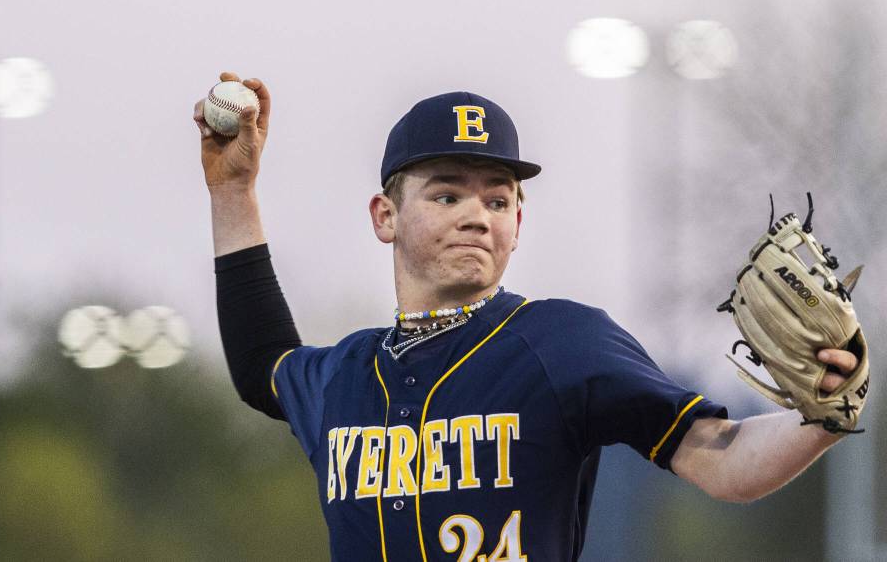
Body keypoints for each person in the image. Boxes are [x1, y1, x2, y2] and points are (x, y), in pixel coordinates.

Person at [194, 72, 861, 561]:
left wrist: (822, 417)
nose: (477, 214)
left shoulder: (562, 342)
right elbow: (262, 367)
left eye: (498, 198)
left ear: (519, 221)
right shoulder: (344, 377)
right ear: (385, 216)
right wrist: (233, 191)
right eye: (448, 192)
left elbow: (721, 458)